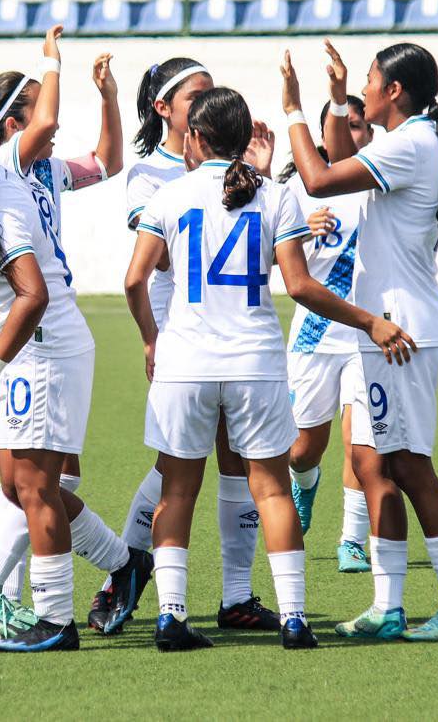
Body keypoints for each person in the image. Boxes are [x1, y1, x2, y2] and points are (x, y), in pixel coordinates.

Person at [125, 86, 415, 651]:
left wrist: (150, 340)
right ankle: (295, 619)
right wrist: (367, 322)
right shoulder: (277, 195)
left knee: (177, 490)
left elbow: (135, 280)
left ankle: (171, 616)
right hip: (256, 361)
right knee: (274, 491)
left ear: (196, 137)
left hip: (185, 360)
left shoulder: (171, 195)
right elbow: (301, 286)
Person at [0, 110, 151, 652]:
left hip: (42, 353)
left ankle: (55, 621)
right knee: (22, 487)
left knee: (36, 490)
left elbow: (32, 294)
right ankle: (124, 564)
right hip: (33, 353)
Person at [282, 40, 438, 642]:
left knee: (411, 466)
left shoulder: (412, 143)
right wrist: (337, 102)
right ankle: (387, 606)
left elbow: (317, 179)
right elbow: (342, 177)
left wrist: (294, 109)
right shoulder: (404, 142)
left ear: (394, 90)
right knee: (371, 463)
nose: (365, 90)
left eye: (369, 81)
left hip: (402, 330)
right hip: (385, 328)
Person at [92, 58, 284, 634]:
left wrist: (255, 175)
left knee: (233, 464)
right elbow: (170, 256)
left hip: (228, 332)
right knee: (175, 470)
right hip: (185, 334)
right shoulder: (151, 176)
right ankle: (127, 566)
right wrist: (241, 185)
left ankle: (236, 596)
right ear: (166, 110)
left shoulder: (235, 172)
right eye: (196, 94)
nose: (208, 99)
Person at [0, 27, 124, 607]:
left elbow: (106, 161)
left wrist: (107, 97)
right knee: (29, 481)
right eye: (32, 114)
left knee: (39, 480)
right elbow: (44, 126)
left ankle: (19, 594)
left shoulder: (41, 170)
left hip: (38, 335)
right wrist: (51, 60)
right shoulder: (7, 159)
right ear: (10, 127)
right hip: (15, 337)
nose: (49, 126)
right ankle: (17, 587)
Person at [279, 95, 376, 573]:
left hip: (366, 330)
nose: (351, 133)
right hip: (315, 331)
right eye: (342, 124)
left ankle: (352, 541)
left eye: (358, 125)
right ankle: (305, 482)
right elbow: (272, 262)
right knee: (302, 448)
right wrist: (299, 233)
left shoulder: (379, 182)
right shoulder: (299, 187)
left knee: (362, 441)